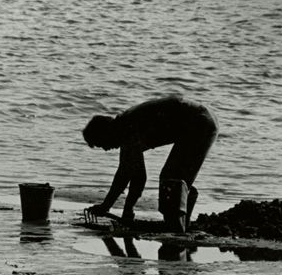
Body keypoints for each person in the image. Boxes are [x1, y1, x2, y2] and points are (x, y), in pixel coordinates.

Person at [82, 95, 218, 231]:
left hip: (199, 122)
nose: (106, 149)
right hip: (204, 118)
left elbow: (138, 178)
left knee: (171, 177)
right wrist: (108, 207)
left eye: (101, 144)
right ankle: (181, 224)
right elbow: (125, 173)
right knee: (178, 178)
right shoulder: (124, 127)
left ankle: (177, 226)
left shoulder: (128, 128)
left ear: (106, 132)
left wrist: (126, 210)